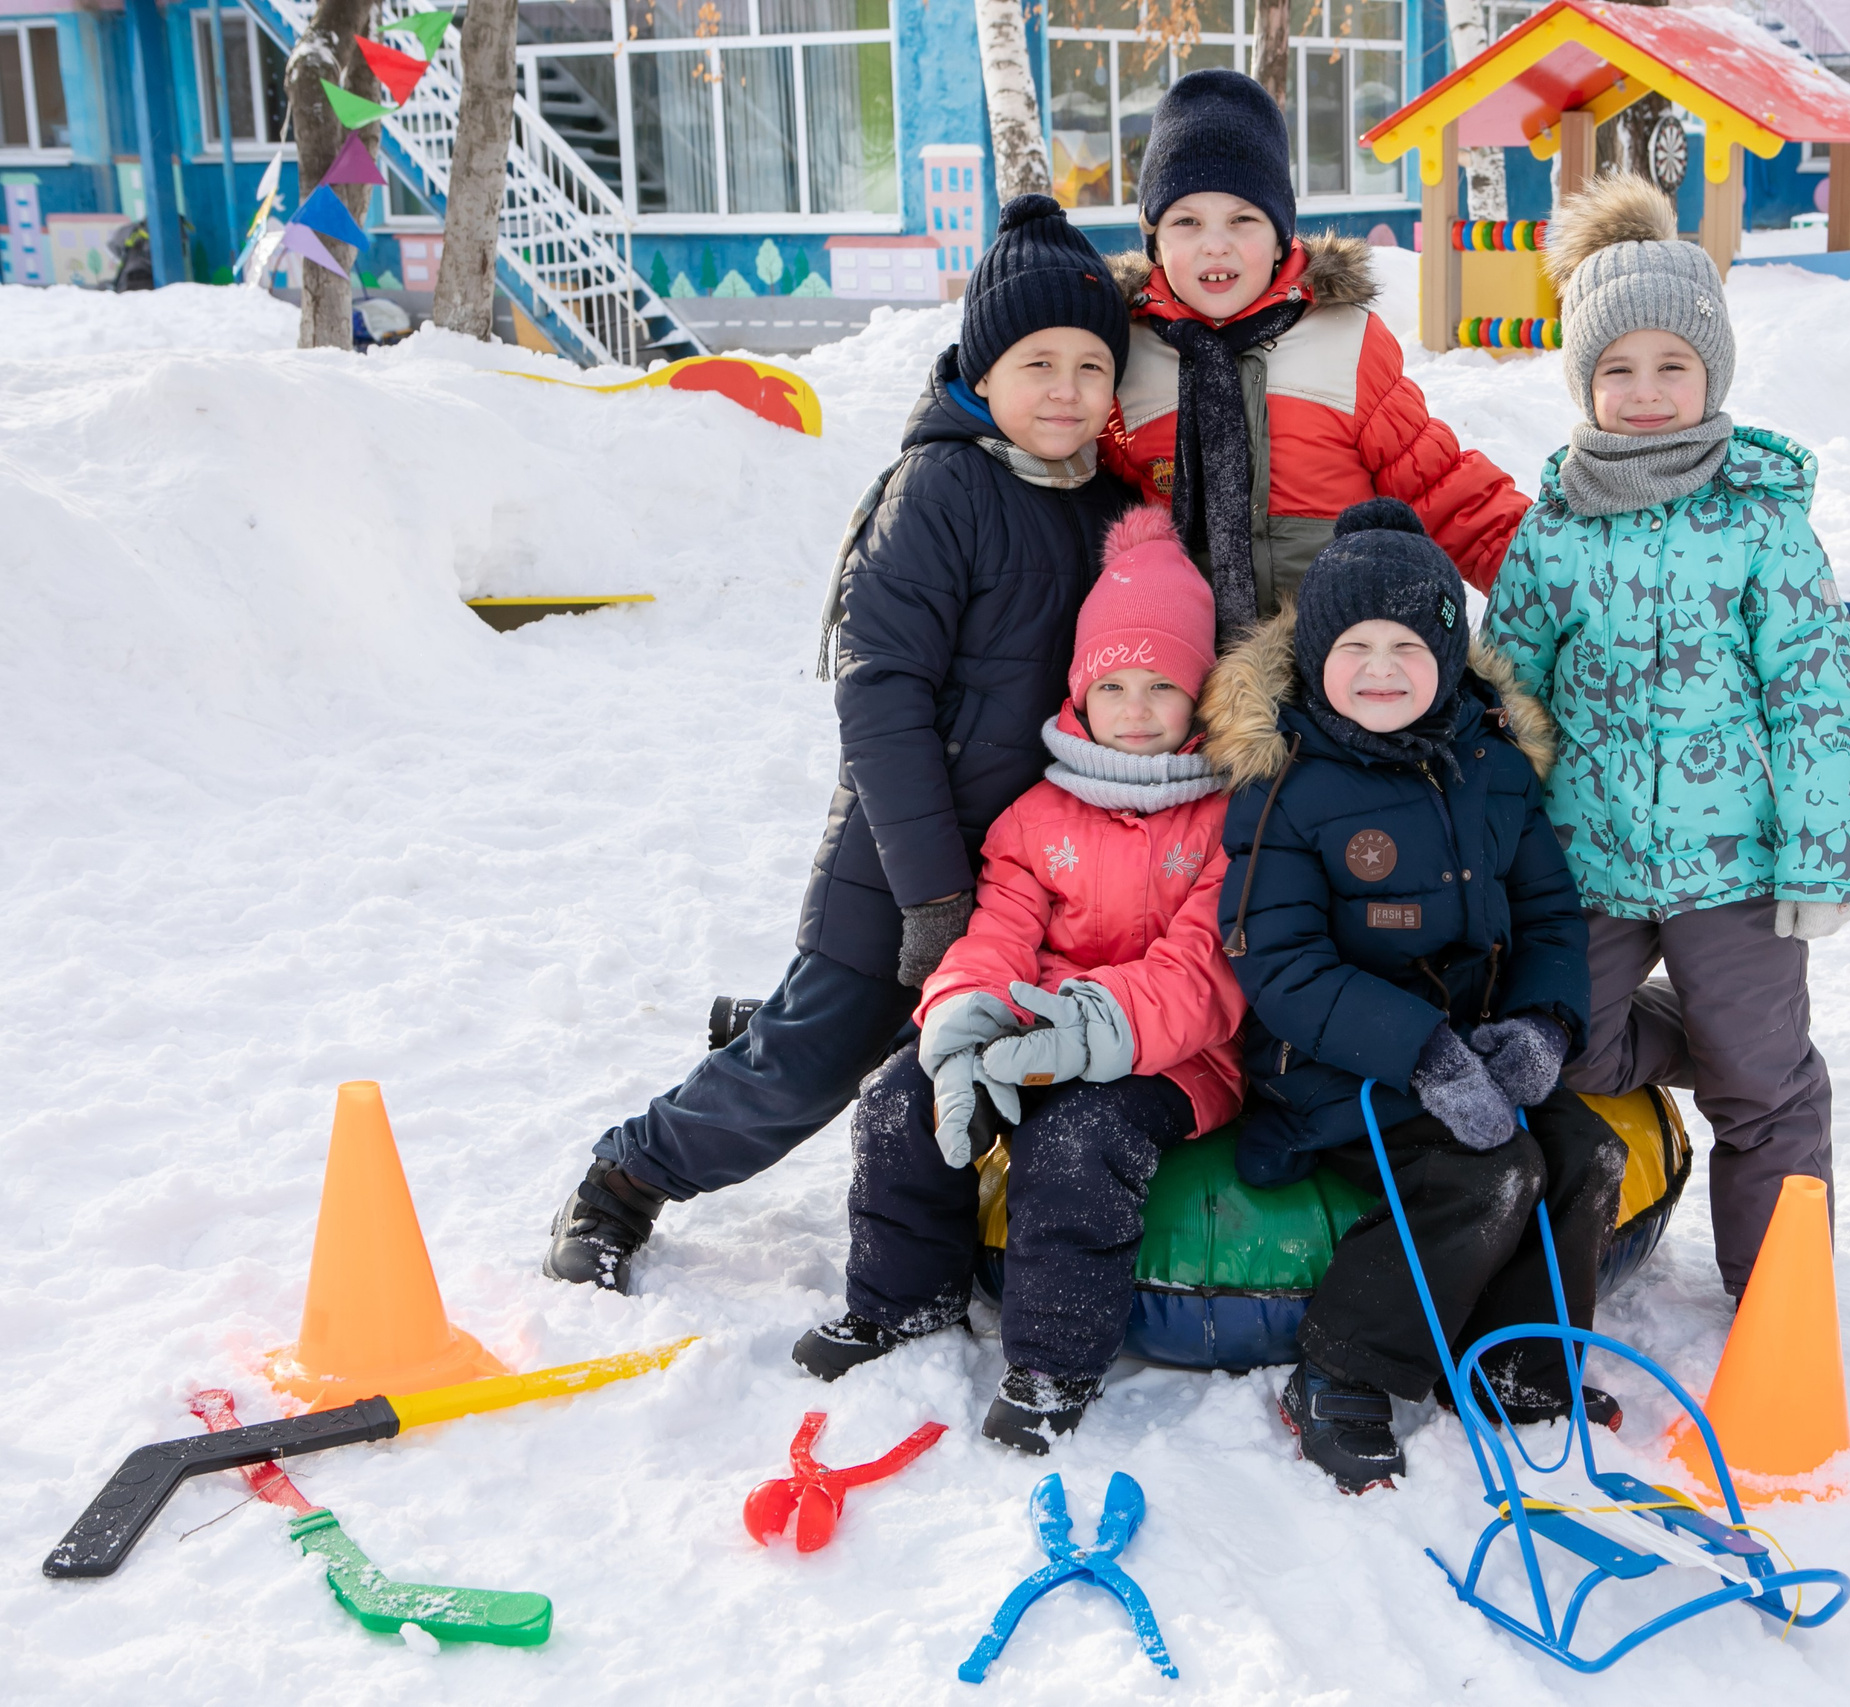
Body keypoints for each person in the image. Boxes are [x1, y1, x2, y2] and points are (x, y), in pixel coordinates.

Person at [540, 195, 1138, 1291]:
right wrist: (927, 896)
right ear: (983, 370)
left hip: (1040, 872)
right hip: (905, 863)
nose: (1065, 390)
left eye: (1092, 367)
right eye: (1038, 362)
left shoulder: (1107, 504)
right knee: (807, 1067)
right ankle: (625, 1177)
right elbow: (881, 700)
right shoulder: (938, 491)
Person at [1479, 176, 1850, 1300]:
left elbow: (1813, 700)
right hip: (1590, 866)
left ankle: (1775, 1293)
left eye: (1671, 367)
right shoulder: (1553, 532)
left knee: (1762, 1096)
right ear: (1583, 382)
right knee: (1570, 1048)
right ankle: (1747, 1043)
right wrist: (1504, 850)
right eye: (1617, 369)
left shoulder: (1761, 522)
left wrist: (1820, 861)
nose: (1645, 393)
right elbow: (1510, 698)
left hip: (1733, 868)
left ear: (1711, 375)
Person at [791, 508, 1245, 1452]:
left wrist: (1093, 1024)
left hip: (1170, 1054)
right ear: (1079, 690)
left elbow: (1202, 971)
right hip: (1029, 1025)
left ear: (1201, 693)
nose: (1135, 706)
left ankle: (1053, 1361)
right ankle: (898, 1298)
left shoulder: (1227, 818)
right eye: (1113, 682)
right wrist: (963, 1014)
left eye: (1162, 684)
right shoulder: (1037, 815)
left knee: (1077, 1147)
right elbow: (997, 932)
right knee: (899, 1100)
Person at [1206, 498, 1623, 1494]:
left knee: (1583, 1151)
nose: (1381, 667)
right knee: (1484, 1170)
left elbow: (1550, 916)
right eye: (1354, 644)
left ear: (1449, 653)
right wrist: (1421, 1055)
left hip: (1477, 1042)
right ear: (1315, 658)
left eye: (1408, 641)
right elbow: (1283, 965)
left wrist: (1540, 1023)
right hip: (1337, 1062)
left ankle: (1516, 1362)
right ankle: (1343, 1368)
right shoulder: (1287, 786)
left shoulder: (1491, 767)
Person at [1103, 67, 1529, 641]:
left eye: (1243, 219)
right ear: (1155, 241)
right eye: (1186, 221)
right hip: (1187, 667)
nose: (1215, 243)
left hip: (1337, 660)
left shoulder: (1345, 339)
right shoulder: (1124, 355)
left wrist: (1547, 571)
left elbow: (1442, 489)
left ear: (1281, 237)